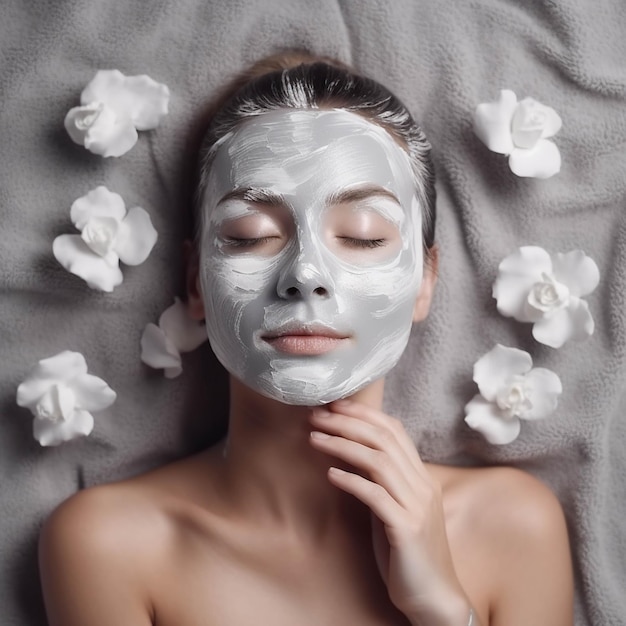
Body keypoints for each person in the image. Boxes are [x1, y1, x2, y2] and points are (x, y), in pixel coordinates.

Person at [39, 51, 574, 626]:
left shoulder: (514, 526)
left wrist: (445, 610)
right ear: (197, 283)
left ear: (423, 282)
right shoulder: (107, 545)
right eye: (249, 236)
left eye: (364, 236)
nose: (305, 274)